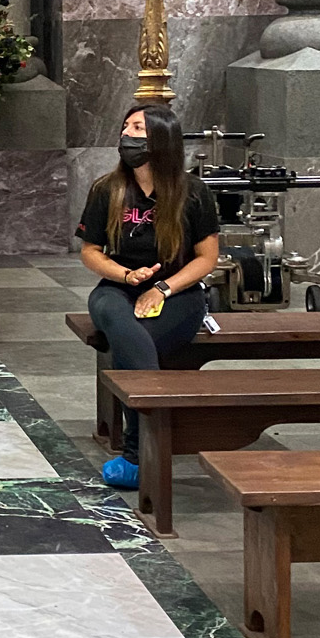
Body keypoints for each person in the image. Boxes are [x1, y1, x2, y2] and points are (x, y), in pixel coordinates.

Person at [77, 101, 221, 489]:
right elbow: (90, 252)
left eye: (138, 128)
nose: (128, 135)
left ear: (162, 138)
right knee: (121, 324)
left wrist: (162, 288)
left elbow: (207, 258)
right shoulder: (107, 189)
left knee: (134, 346)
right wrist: (126, 275)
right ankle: (147, 450)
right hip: (117, 287)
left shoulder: (193, 192)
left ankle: (137, 455)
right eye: (126, 128)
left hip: (179, 292)